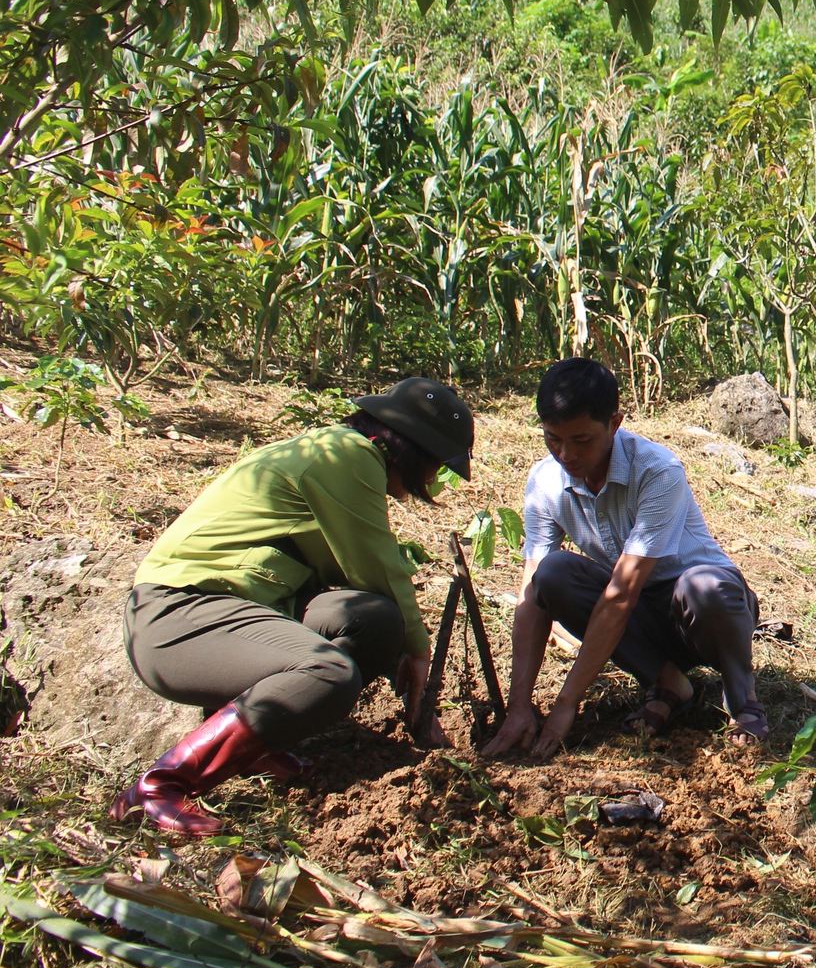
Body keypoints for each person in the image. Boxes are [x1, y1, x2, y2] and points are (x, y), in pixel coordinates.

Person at [116, 378, 474, 836]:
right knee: (328, 674)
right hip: (177, 615)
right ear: (416, 450)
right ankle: (161, 786)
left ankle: (257, 748)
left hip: (232, 610)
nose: (432, 480)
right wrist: (419, 652)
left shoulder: (332, 449)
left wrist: (401, 643)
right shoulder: (347, 456)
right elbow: (378, 564)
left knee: (374, 620)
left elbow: (362, 587)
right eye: (437, 466)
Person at [483, 358, 767, 758]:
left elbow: (621, 594)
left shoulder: (656, 470)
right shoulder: (544, 483)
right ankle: (668, 683)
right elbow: (531, 597)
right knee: (552, 574)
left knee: (706, 588)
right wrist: (519, 706)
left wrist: (566, 704)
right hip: (637, 618)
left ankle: (742, 697)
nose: (566, 454)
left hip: (701, 614)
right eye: (553, 439)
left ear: (615, 424)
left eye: (582, 440)